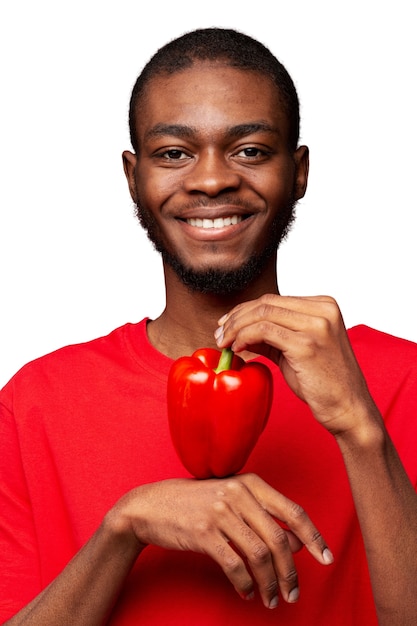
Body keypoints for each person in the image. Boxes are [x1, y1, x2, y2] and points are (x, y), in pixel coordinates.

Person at [1, 27, 417, 626]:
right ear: (133, 176)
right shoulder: (34, 404)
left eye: (250, 150)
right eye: (174, 153)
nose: (212, 180)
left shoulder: (401, 380)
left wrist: (361, 429)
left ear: (298, 172)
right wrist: (126, 526)